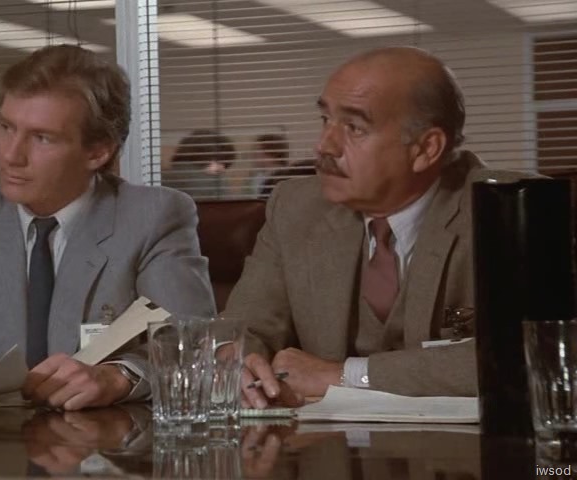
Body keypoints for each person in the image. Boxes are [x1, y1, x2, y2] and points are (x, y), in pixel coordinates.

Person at [0, 44, 215, 409]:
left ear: (97, 152)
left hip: (110, 439)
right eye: (6, 127)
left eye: (42, 137)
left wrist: (117, 377)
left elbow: (192, 346)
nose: (11, 155)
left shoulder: (152, 216)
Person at [221, 46, 530, 409]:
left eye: (354, 127)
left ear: (425, 149)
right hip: (325, 441)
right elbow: (244, 329)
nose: (323, 145)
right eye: (325, 119)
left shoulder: (511, 208)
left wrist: (345, 375)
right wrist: (240, 361)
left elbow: (528, 354)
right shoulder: (296, 207)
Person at [161, 129, 237, 200]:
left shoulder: (162, 178)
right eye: (218, 160)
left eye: (225, 164)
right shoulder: (214, 184)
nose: (222, 168)